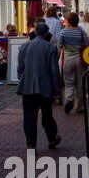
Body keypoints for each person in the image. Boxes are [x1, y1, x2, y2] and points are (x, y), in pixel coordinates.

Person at [17, 23, 62, 151]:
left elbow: (20, 69)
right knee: (47, 115)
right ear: (46, 33)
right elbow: (54, 71)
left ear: (35, 32)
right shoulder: (50, 48)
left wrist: (23, 80)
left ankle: (31, 144)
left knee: (29, 117)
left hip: (28, 87)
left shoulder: (24, 47)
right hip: (45, 86)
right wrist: (57, 90)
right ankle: (52, 138)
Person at [59, 12, 89, 114]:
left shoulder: (64, 32)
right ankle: (79, 106)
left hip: (68, 58)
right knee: (80, 83)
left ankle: (69, 100)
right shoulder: (81, 31)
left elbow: (60, 45)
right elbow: (87, 45)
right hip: (79, 59)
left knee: (68, 83)